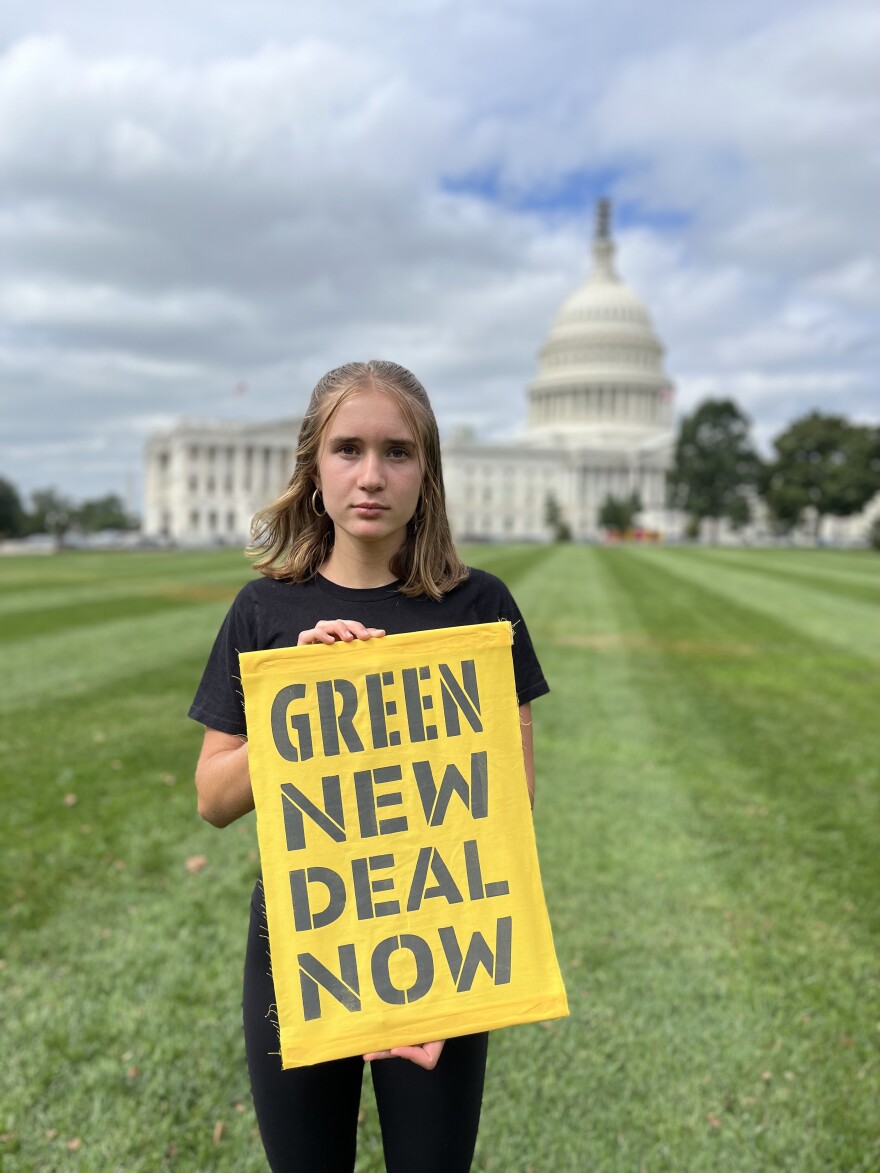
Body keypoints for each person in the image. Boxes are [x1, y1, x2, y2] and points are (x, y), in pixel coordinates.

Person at [189, 360, 549, 1172]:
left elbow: (509, 798)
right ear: (314, 469)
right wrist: (298, 710)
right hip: (302, 934)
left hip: (436, 932)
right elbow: (213, 797)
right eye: (348, 449)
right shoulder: (265, 610)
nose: (372, 475)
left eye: (397, 451)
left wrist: (431, 977)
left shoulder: (479, 607)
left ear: (428, 472)